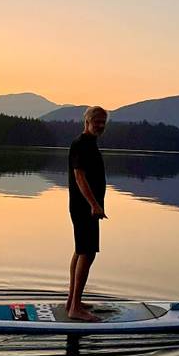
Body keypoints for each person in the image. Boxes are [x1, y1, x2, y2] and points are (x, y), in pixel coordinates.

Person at [66, 106, 108, 321]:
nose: (100, 126)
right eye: (97, 122)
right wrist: (94, 205)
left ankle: (72, 301)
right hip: (84, 208)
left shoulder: (90, 144)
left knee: (80, 250)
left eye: (103, 122)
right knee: (88, 252)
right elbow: (79, 177)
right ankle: (75, 309)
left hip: (86, 207)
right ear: (87, 122)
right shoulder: (81, 144)